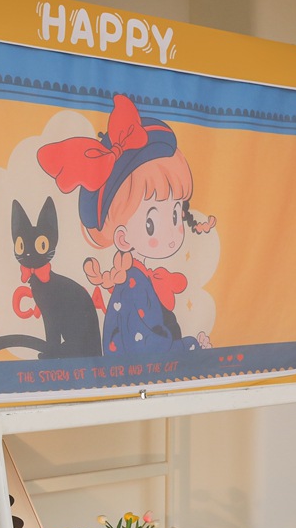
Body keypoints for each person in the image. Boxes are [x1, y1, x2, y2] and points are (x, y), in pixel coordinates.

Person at [37, 94, 215, 356]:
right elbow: (145, 347)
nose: (172, 234)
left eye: (176, 214)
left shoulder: (139, 279)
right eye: (151, 223)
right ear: (122, 238)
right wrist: (190, 347)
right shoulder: (133, 285)